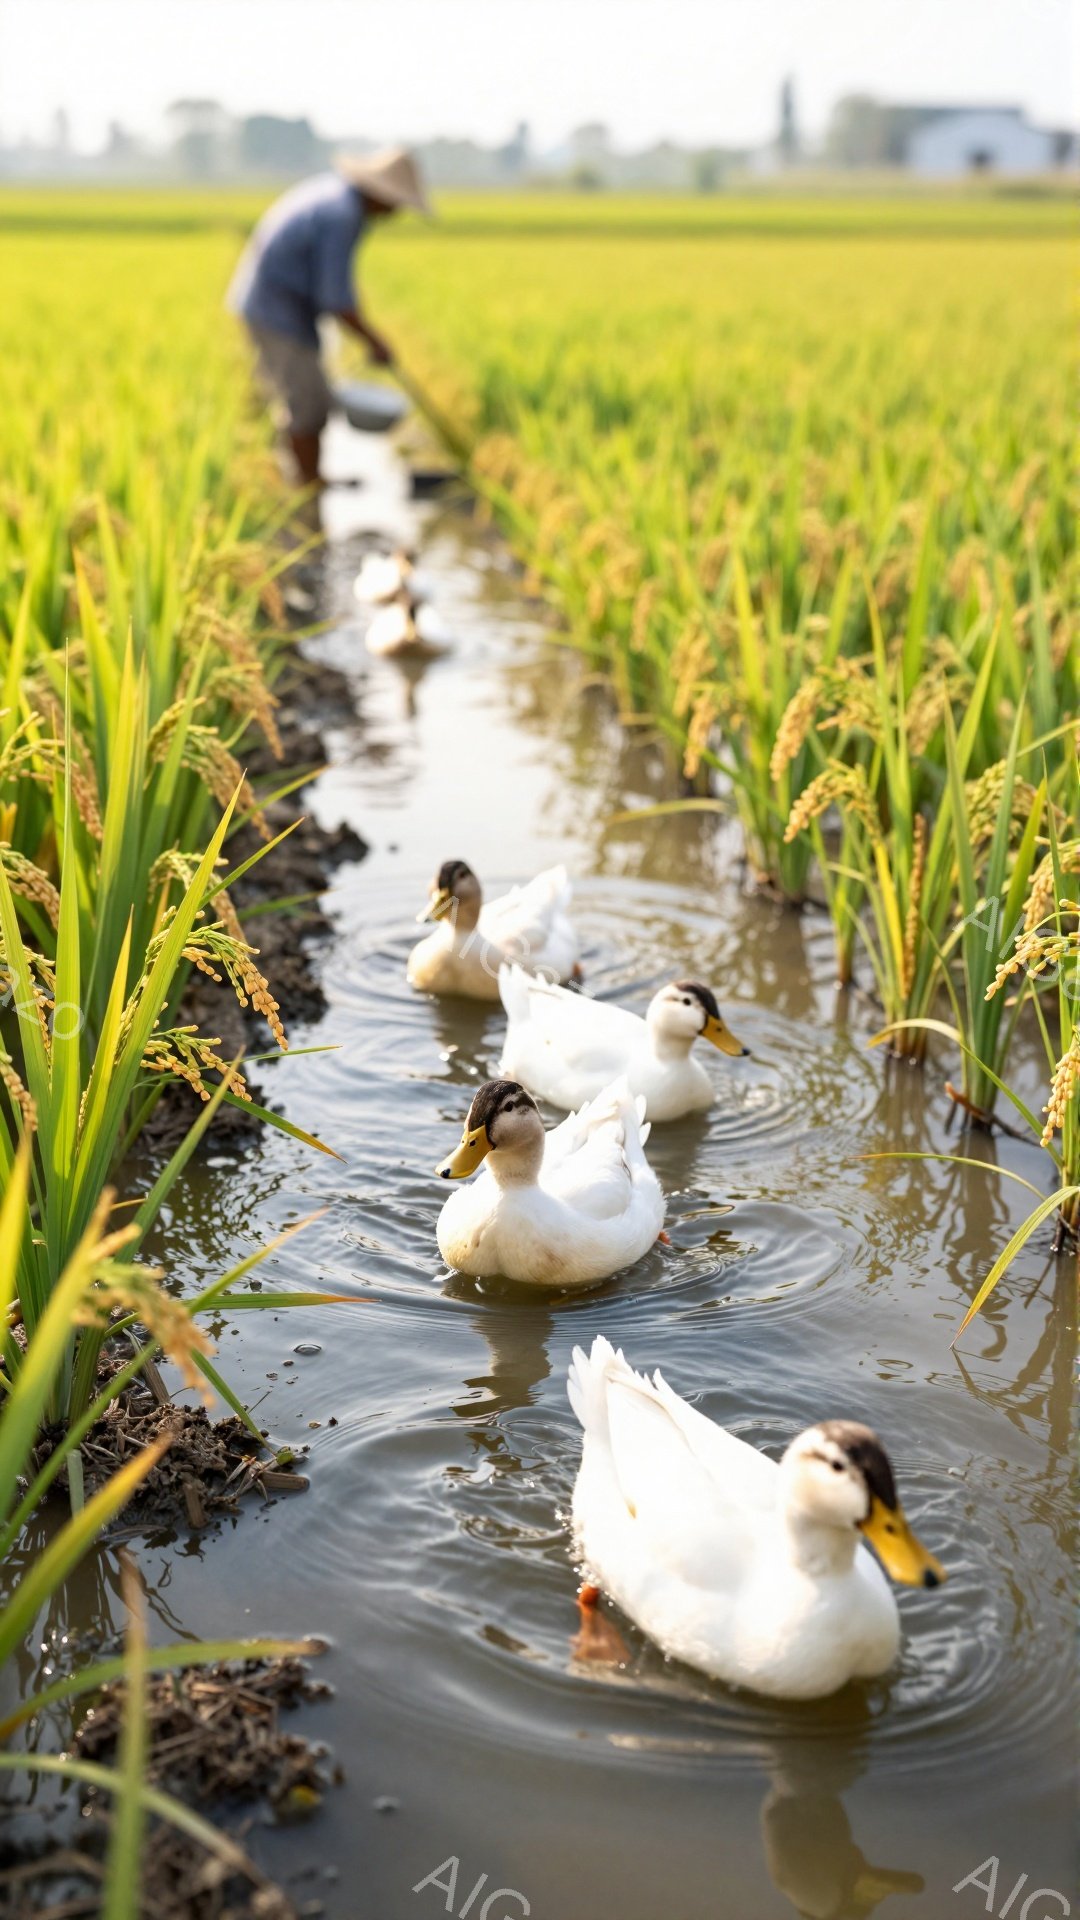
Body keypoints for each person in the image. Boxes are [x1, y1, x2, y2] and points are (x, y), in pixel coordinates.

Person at [228, 147, 430, 486]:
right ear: (381, 194)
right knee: (307, 404)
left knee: (309, 398)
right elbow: (334, 296)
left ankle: (307, 478)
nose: (396, 212)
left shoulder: (335, 196)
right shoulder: (343, 215)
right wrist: (373, 341)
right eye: (396, 203)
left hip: (279, 306)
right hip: (275, 310)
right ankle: (307, 486)